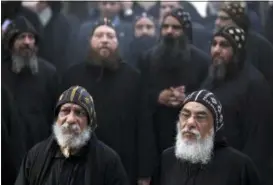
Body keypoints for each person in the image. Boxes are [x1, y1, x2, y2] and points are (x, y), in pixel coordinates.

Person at [59, 18, 140, 185]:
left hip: (124, 162)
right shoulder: (72, 76)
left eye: (110, 36)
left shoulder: (133, 77)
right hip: (80, 160)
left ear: (117, 42)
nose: (104, 40)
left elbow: (143, 124)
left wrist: (144, 171)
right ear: (90, 41)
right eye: (99, 35)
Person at [138, 7, 210, 184]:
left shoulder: (202, 61)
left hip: (191, 136)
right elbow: (139, 96)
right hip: (156, 136)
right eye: (165, 26)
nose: (169, 31)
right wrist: (158, 96)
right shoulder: (148, 59)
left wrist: (188, 100)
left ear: (185, 30)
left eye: (175, 27)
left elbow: (210, 96)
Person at [202, 25, 273, 185]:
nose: (217, 50)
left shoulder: (254, 84)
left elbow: (259, 140)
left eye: (224, 45)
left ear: (237, 50)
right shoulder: (212, 78)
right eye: (214, 44)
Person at [15, 86, 129, 185]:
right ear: (56, 118)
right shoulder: (35, 156)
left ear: (89, 123)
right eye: (65, 111)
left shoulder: (108, 162)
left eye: (79, 113)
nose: (70, 119)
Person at [153, 89, 261, 185]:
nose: (190, 123)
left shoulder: (239, 167)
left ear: (215, 126)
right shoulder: (167, 159)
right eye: (185, 115)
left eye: (200, 117)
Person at [2, 16, 57, 168]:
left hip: (42, 148)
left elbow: (56, 113)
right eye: (21, 37)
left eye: (31, 37)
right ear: (11, 42)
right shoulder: (2, 73)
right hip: (8, 152)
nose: (27, 42)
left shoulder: (49, 72)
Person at [214, 1, 273, 96]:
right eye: (218, 17)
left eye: (224, 18)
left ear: (237, 20)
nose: (217, 22)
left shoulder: (261, 47)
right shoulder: (217, 44)